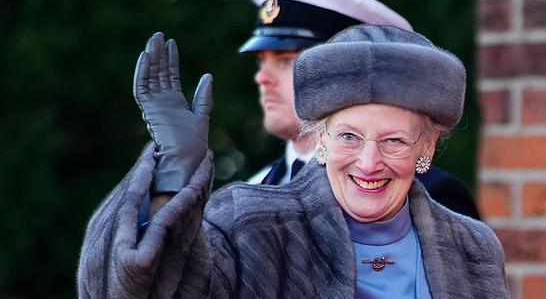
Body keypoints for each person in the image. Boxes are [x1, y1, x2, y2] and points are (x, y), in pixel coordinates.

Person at [77, 25, 508, 298]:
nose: (369, 161)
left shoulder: (473, 246)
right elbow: (143, 292)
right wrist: (174, 170)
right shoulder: (249, 225)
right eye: (348, 137)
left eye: (394, 141)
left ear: (427, 148)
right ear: (319, 137)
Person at [239, 0, 481, 220]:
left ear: (350, 74)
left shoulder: (428, 197)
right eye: (262, 61)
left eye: (288, 61)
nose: (262, 77)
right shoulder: (253, 190)